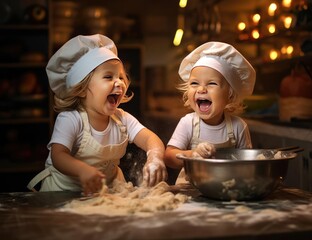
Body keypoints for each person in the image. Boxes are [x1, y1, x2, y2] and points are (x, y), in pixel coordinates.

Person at [27, 34, 167, 195]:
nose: (119, 82)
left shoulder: (122, 119)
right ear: (82, 88)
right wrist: (82, 170)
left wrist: (155, 157)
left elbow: (151, 139)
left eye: (121, 77)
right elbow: (58, 156)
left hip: (107, 193)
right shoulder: (71, 119)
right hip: (63, 194)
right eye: (108, 76)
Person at [164, 41, 256, 184]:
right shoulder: (188, 123)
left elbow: (249, 163)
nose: (201, 89)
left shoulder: (238, 126)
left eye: (212, 83)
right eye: (194, 83)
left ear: (230, 95)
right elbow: (169, 157)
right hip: (190, 191)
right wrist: (192, 155)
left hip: (228, 190)